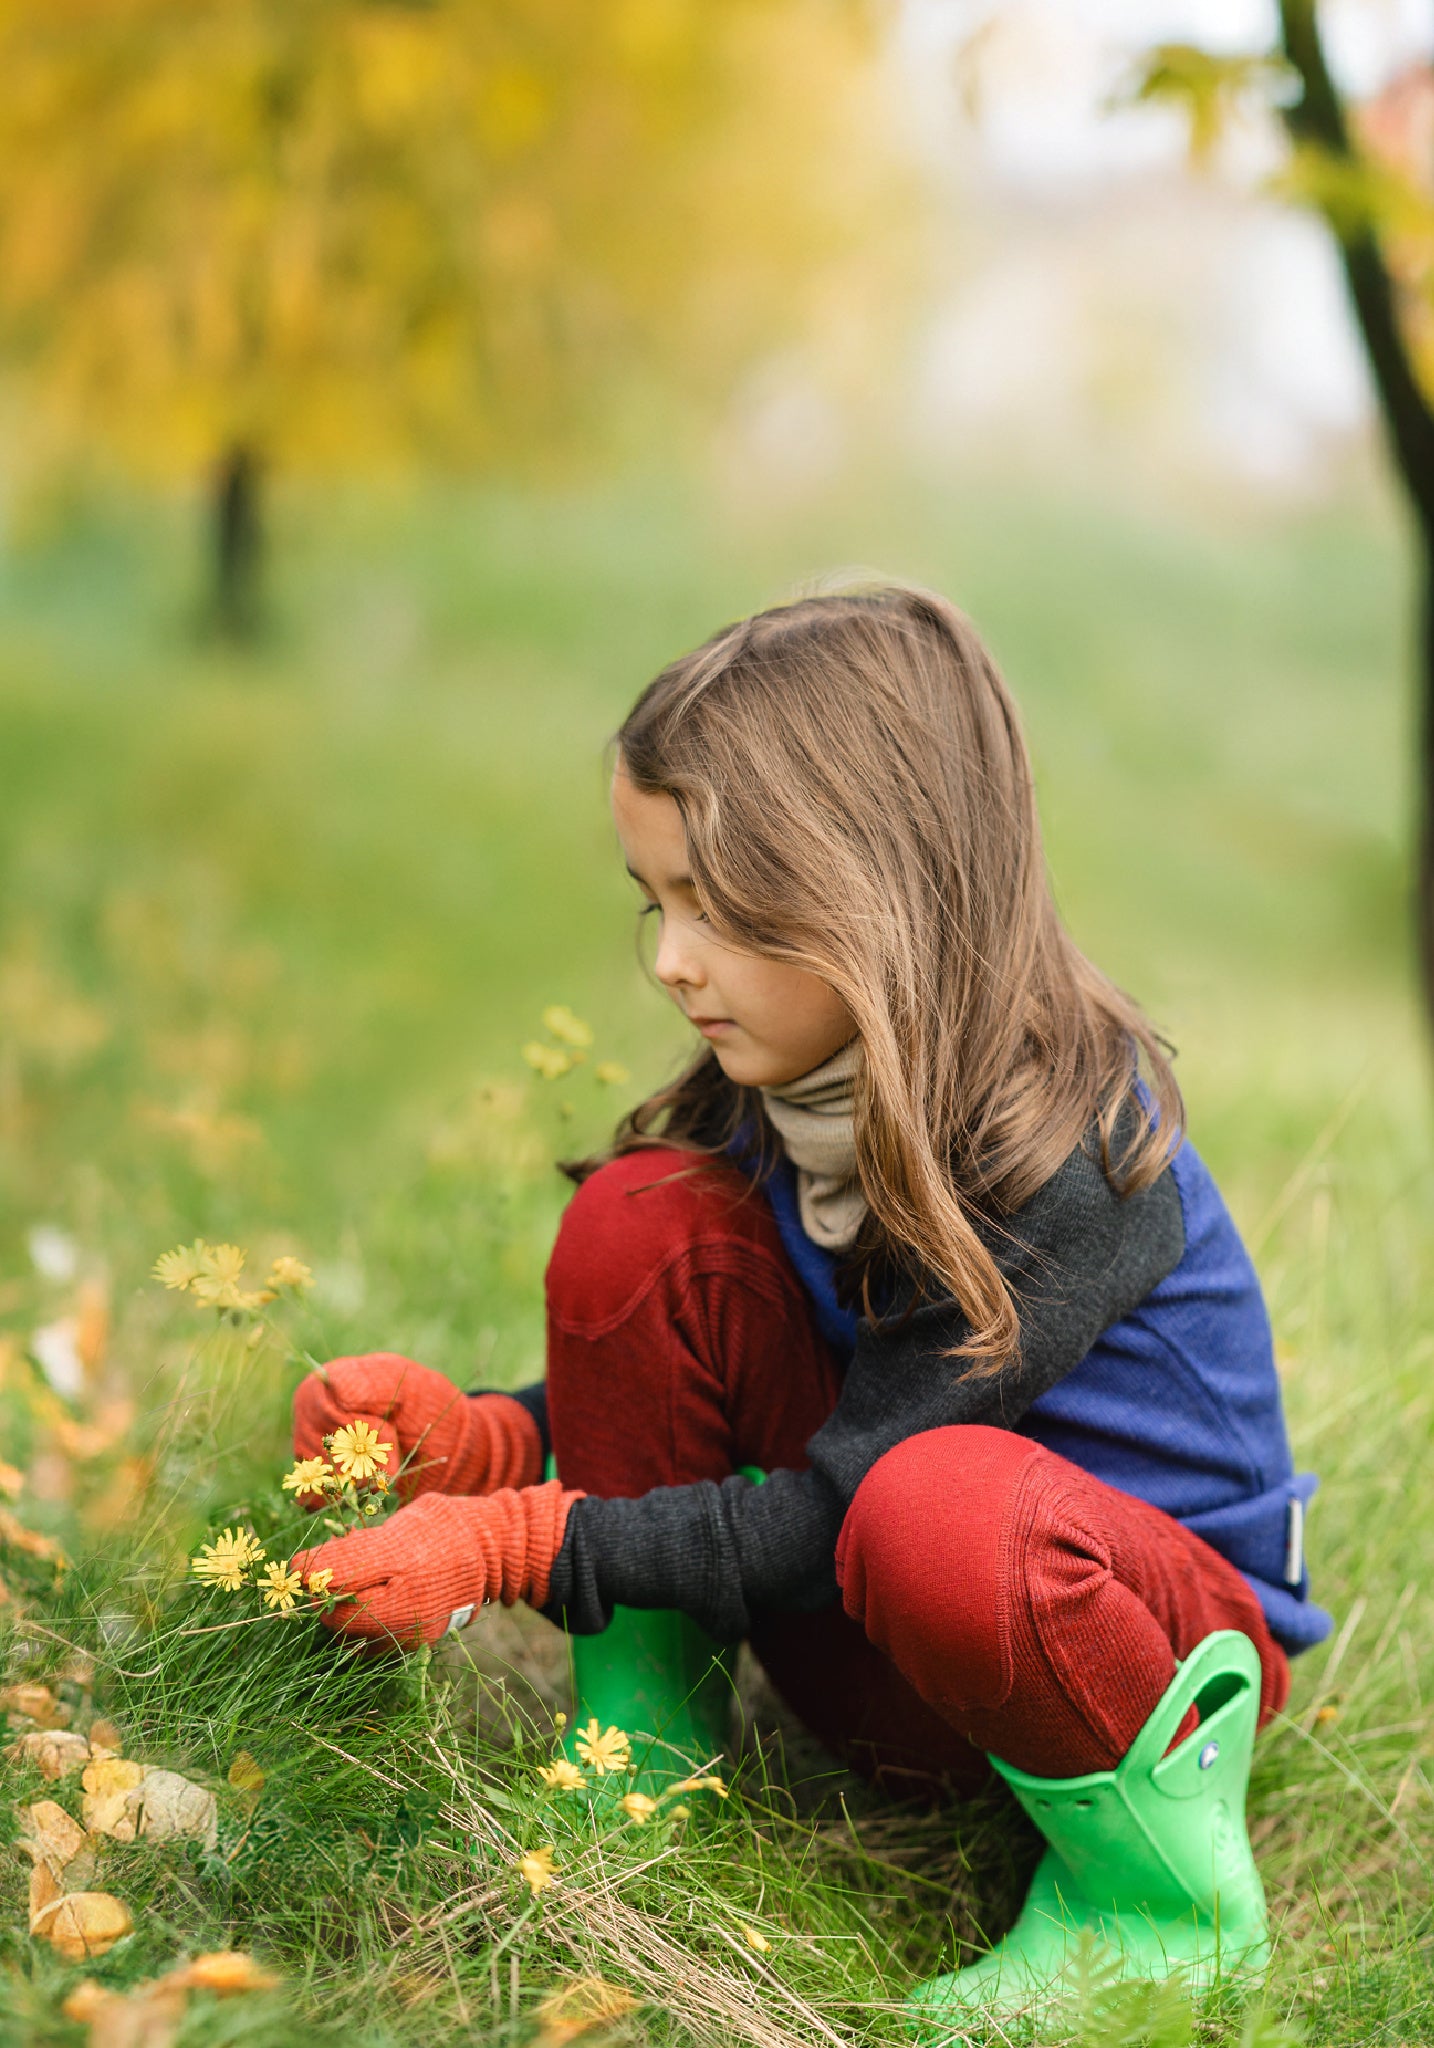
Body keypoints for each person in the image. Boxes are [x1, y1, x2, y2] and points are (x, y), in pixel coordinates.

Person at [291, 585, 1330, 2017]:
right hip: (896, 1615)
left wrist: (510, 1543)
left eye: (713, 909)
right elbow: (764, 1406)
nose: (667, 959)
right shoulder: (791, 1085)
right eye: (653, 901)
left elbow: (847, 1499)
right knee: (636, 1217)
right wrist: (485, 1444)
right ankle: (640, 1749)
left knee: (933, 1501)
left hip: (1119, 1666)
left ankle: (1156, 1911)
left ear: (871, 897)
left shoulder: (1074, 1158)